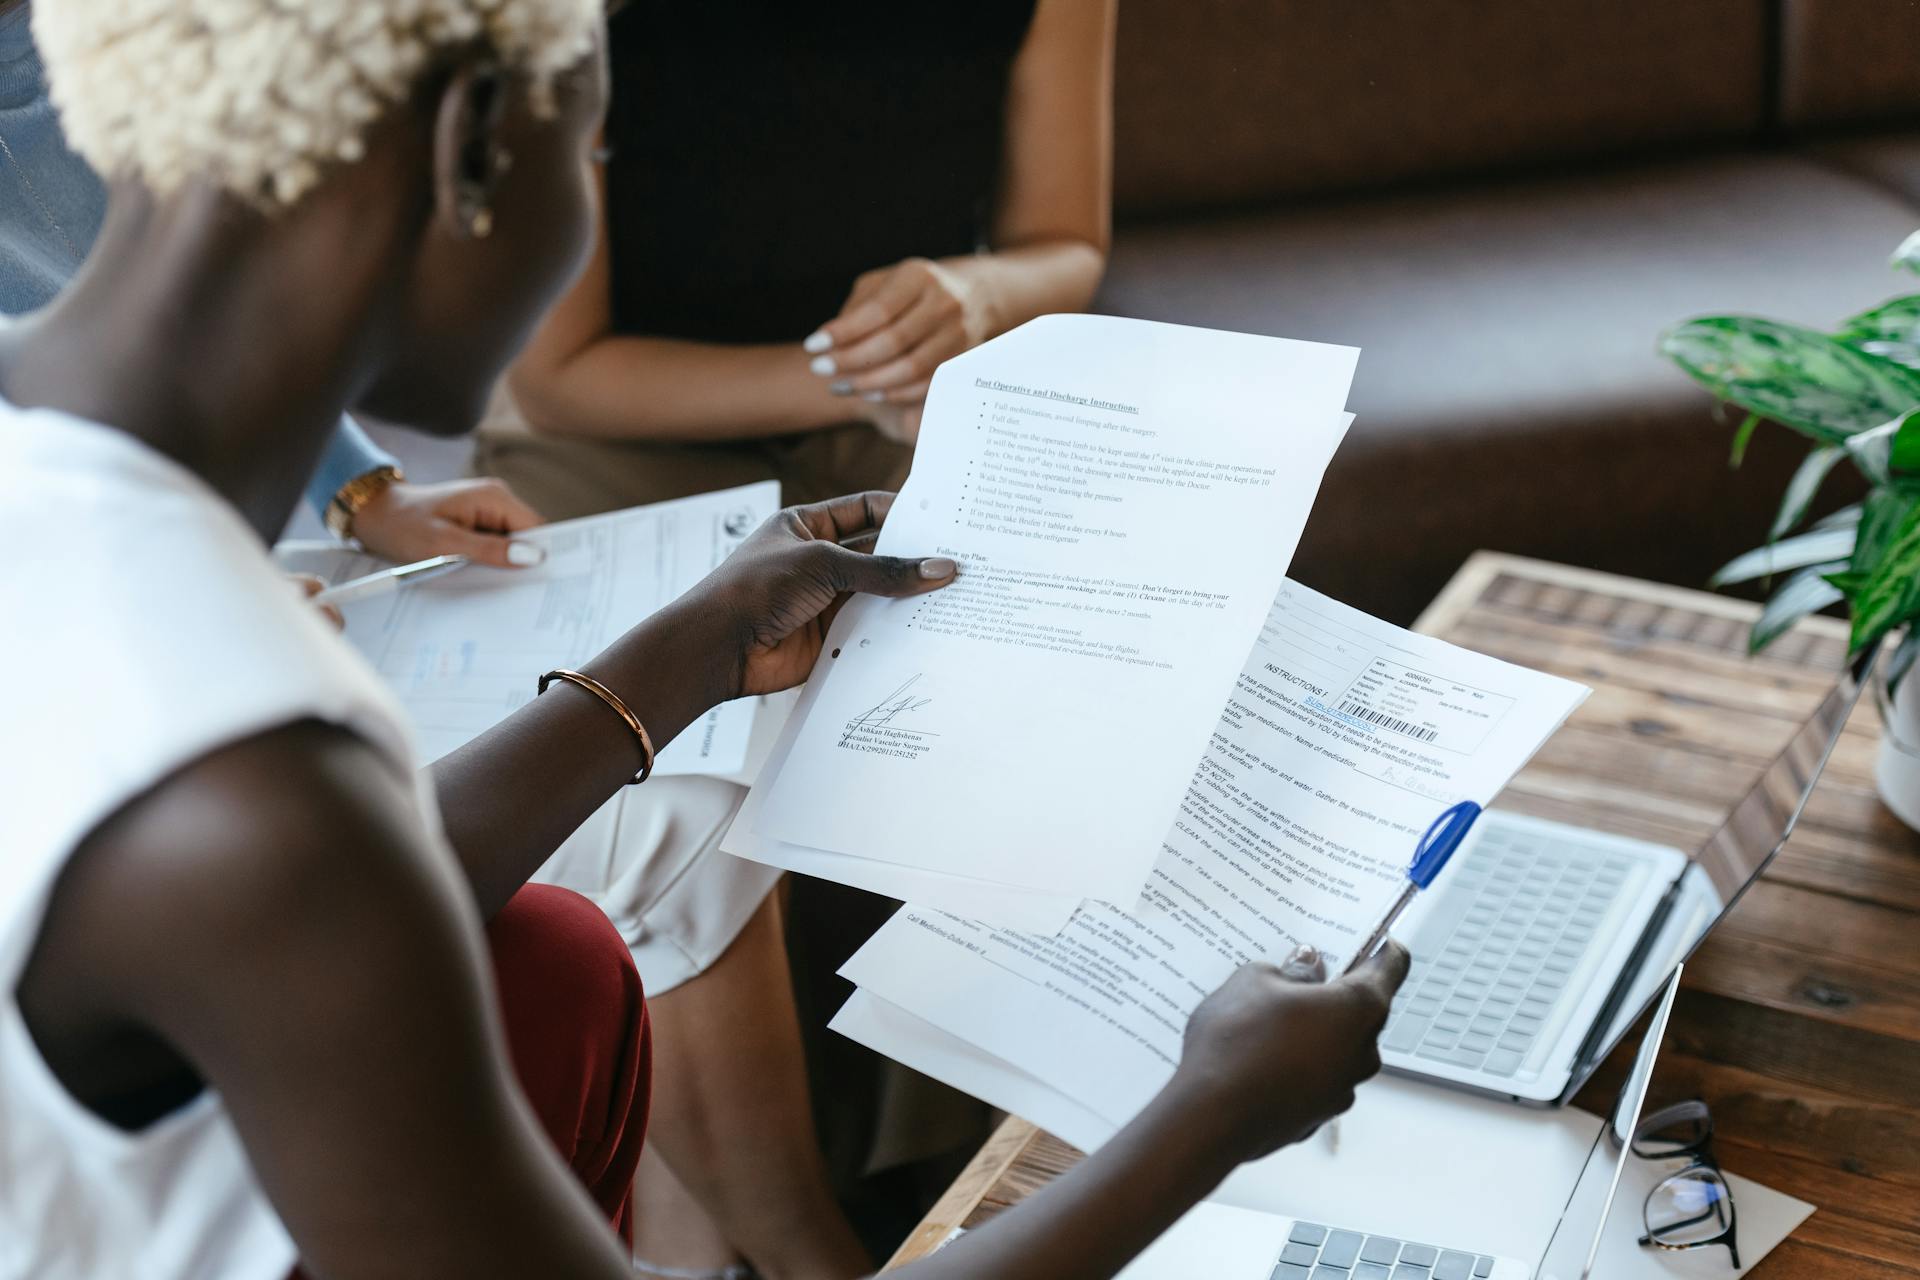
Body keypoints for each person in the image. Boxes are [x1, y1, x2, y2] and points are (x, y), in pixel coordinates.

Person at [0, 4, 1407, 1279]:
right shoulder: (244, 800)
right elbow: (309, 894)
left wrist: (692, 645)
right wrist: (1211, 1112)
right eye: (593, 138)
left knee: (554, 944)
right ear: (474, 149)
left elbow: (342, 902)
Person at [480, 7, 1116, 1270]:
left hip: (887, 418)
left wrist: (973, 291)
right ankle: (793, 1240)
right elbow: (559, 374)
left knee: (1028, 652)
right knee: (685, 762)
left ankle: (947, 1167)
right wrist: (844, 373)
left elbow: (1067, 244)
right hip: (622, 426)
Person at [0, 0, 548, 571]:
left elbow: (211, 285)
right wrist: (165, 586)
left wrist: (358, 488)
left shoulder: (114, 33)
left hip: (197, 526)